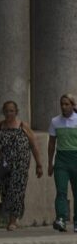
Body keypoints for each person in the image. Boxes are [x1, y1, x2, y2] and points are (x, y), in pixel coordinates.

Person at [0, 100, 42, 231]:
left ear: (16, 112)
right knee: (4, 189)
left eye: (11, 110)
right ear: (3, 112)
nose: (9, 113)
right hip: (2, 164)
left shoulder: (23, 126)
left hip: (20, 165)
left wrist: (39, 164)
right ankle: (12, 215)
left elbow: (34, 145)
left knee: (17, 190)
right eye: (6, 111)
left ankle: (13, 220)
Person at [48, 93, 77, 232]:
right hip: (61, 160)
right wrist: (50, 163)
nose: (64, 107)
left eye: (67, 104)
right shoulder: (55, 121)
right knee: (61, 191)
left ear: (73, 105)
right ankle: (61, 218)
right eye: (62, 104)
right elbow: (52, 143)